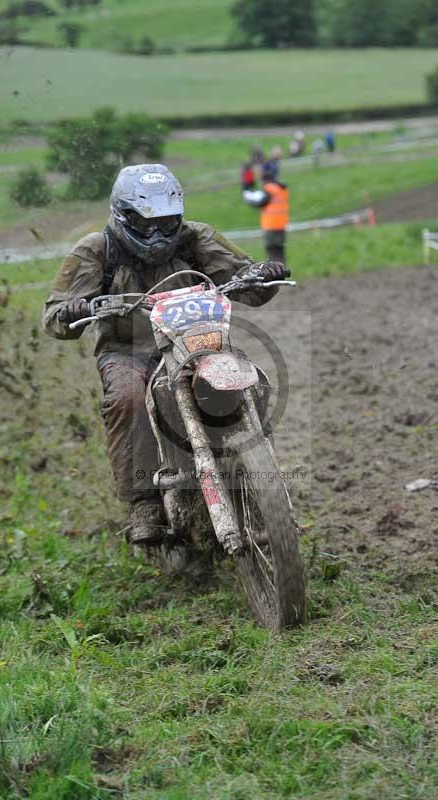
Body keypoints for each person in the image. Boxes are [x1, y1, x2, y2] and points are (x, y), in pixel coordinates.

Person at [42, 164, 287, 543]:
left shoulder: (197, 237)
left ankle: (262, 480)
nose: (157, 234)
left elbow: (248, 281)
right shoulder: (95, 249)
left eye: (166, 222)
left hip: (196, 341)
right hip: (129, 349)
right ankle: (145, 503)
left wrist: (264, 273)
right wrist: (74, 309)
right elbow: (54, 314)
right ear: (123, 216)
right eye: (145, 223)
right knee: (126, 398)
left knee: (249, 378)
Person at [243, 163, 289, 263]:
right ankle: (283, 274)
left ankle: (277, 276)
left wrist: (246, 191)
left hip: (271, 227)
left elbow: (258, 201)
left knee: (272, 256)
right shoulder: (281, 188)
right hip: (281, 226)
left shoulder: (269, 189)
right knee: (280, 254)